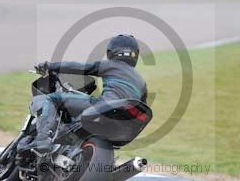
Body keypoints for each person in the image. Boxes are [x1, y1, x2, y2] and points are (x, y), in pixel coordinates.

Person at [17, 34, 147, 153]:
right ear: (135, 54)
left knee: (52, 99)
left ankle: (42, 139)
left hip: (104, 106)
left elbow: (78, 67)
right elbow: (142, 107)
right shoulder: (142, 82)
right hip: (122, 125)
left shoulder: (111, 65)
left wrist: (50, 66)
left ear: (111, 52)